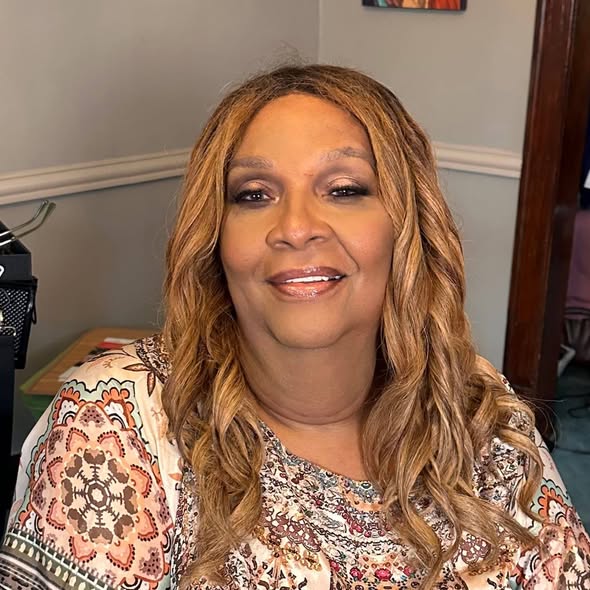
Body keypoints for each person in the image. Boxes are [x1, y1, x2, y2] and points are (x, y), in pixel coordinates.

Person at [0, 64, 587, 590]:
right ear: (215, 237)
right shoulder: (120, 421)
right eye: (254, 195)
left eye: (344, 190)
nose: (296, 227)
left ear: (407, 227)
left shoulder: (480, 405)